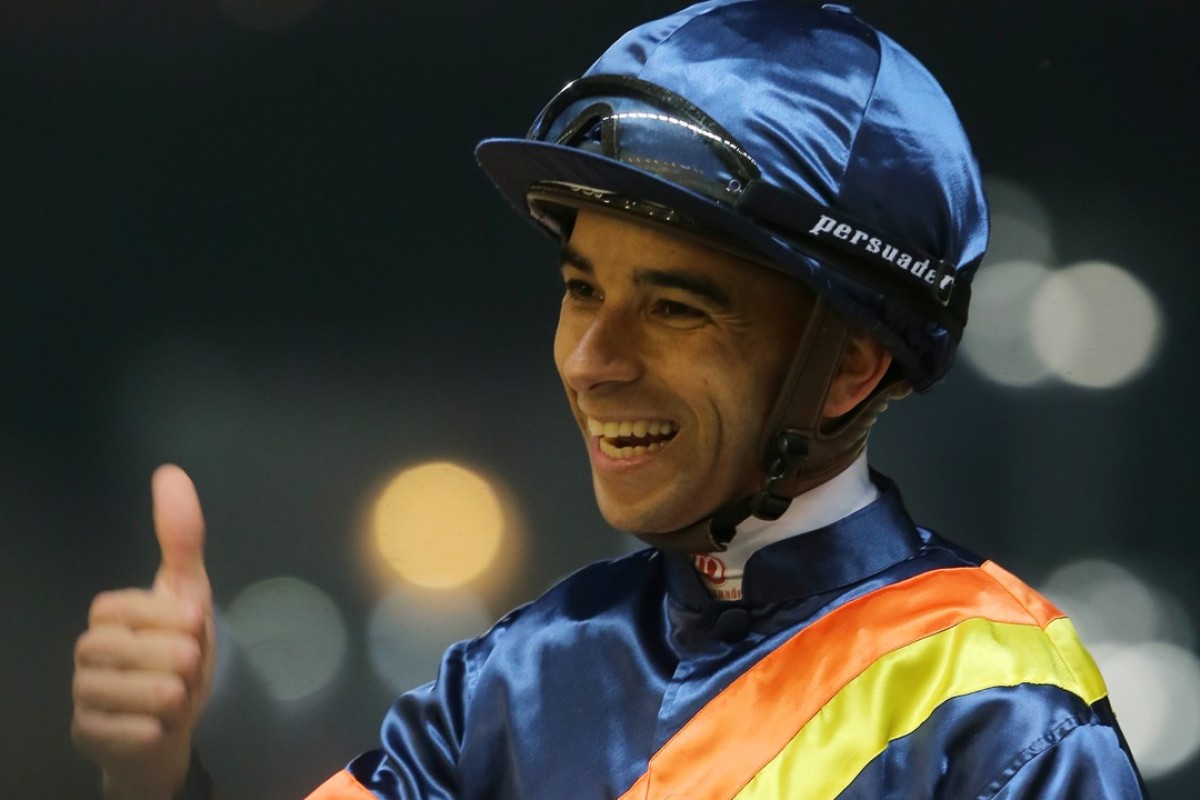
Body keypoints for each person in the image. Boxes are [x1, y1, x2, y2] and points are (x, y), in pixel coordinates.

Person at [71, 2, 1149, 798]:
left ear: (851, 365)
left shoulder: (999, 717)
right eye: (581, 288)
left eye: (674, 308)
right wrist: (157, 773)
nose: (590, 357)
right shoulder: (514, 677)